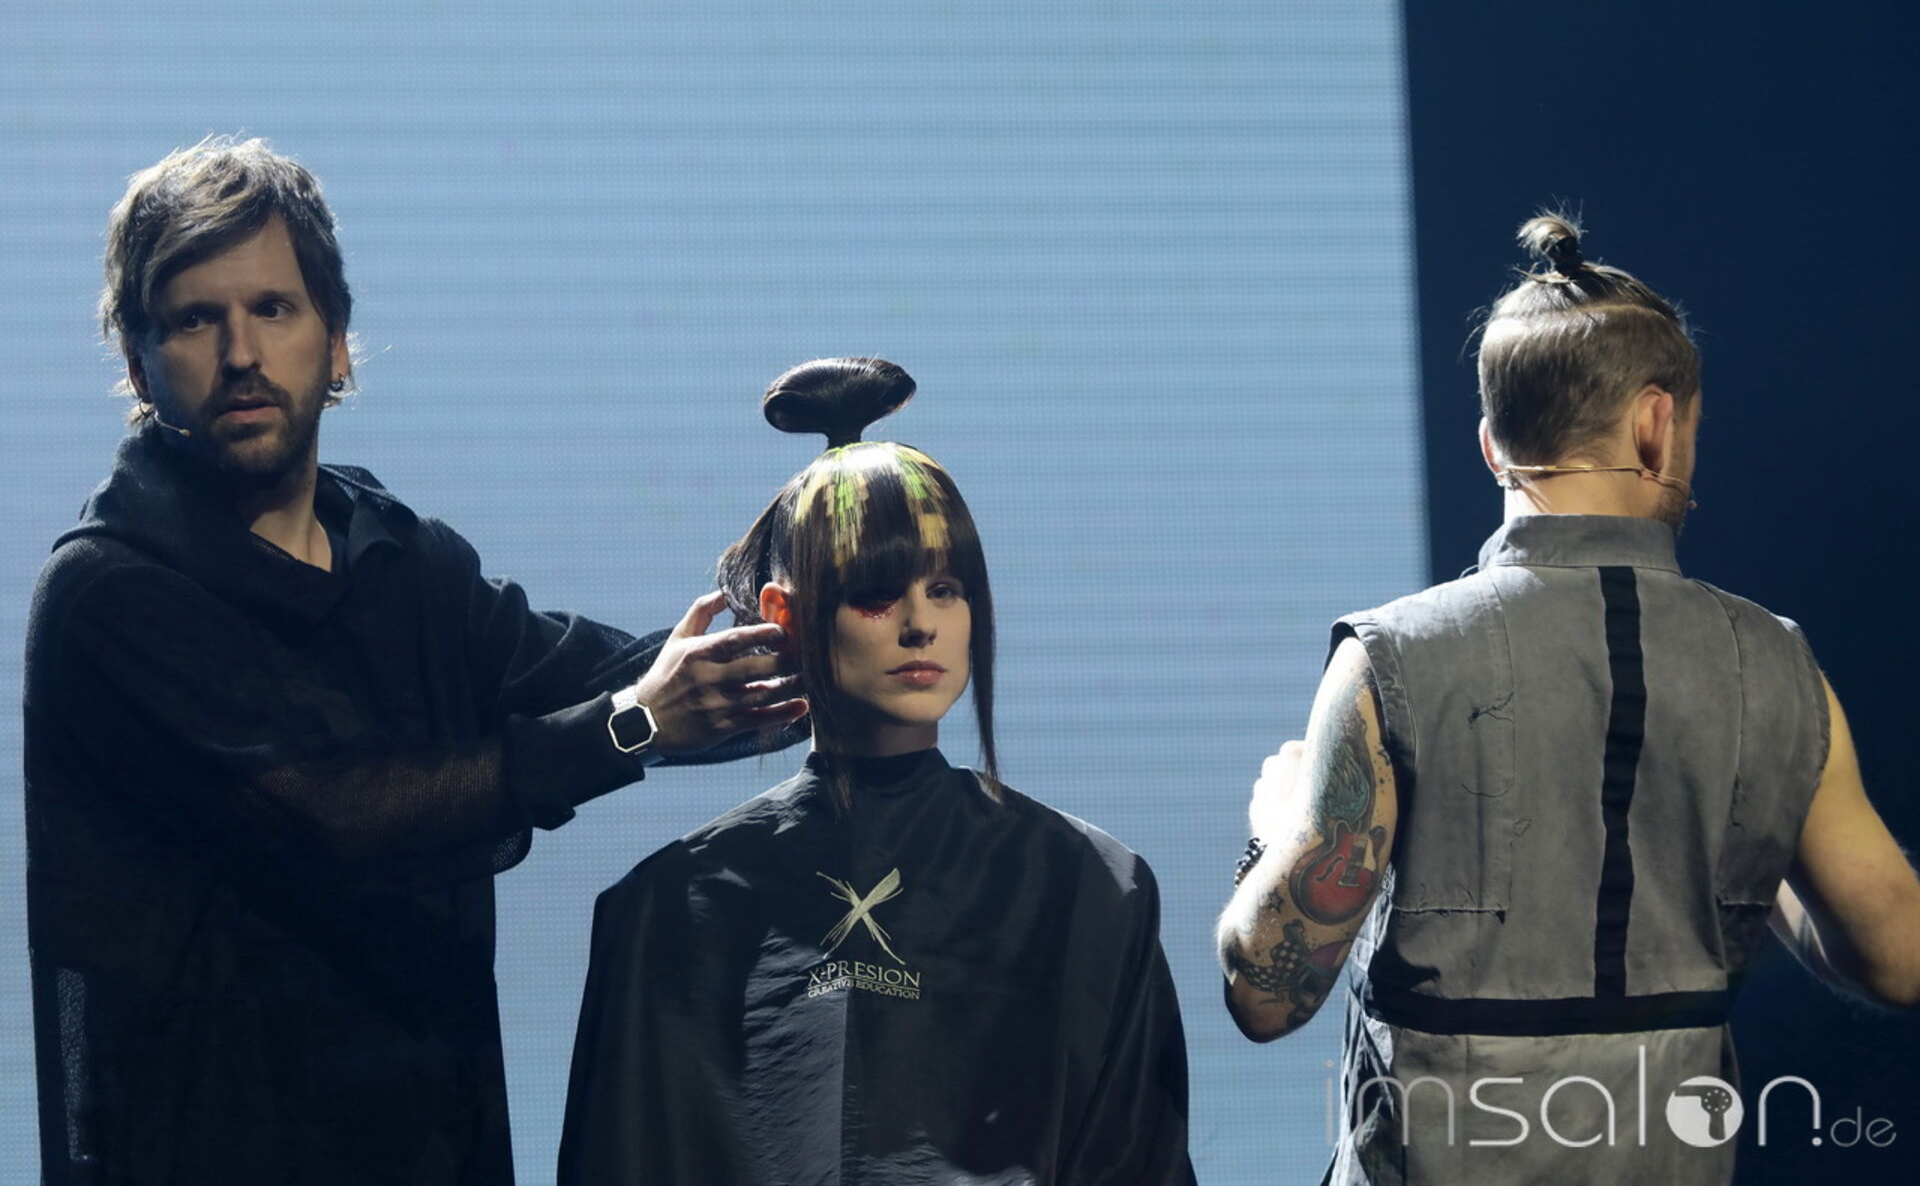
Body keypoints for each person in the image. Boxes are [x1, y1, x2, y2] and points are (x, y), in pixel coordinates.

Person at [23, 137, 807, 1186]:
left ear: (338, 343)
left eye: (273, 308)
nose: (242, 352)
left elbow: (606, 674)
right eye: (196, 319)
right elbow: (337, 814)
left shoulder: (399, 557)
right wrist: (637, 724)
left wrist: (818, 629)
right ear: (138, 364)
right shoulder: (110, 594)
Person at [1214, 215, 1920, 1183]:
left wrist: (1280, 829)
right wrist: (1740, 844)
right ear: (1656, 424)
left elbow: (1267, 994)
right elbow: (1899, 956)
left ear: (1492, 446)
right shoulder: (1777, 666)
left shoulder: (1394, 659)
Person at [558, 358, 1195, 1185]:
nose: (920, 623)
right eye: (875, 593)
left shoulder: (1092, 887)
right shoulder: (665, 910)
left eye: (946, 587)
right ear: (784, 613)